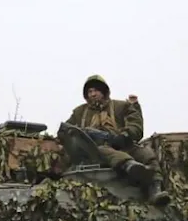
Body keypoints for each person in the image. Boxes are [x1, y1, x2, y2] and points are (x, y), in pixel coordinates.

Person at [65, 75, 170, 206]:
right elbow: (68, 130)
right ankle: (130, 165)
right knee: (103, 150)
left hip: (121, 143)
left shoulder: (121, 106)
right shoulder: (80, 112)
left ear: (103, 91)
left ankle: (155, 189)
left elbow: (135, 125)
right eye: (89, 92)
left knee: (146, 153)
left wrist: (124, 135)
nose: (92, 94)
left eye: (96, 90)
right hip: (96, 150)